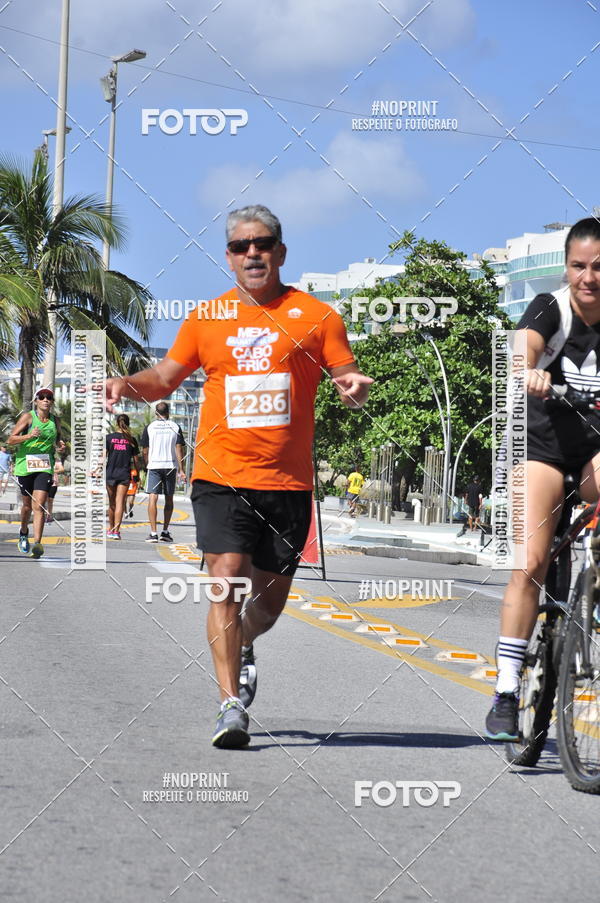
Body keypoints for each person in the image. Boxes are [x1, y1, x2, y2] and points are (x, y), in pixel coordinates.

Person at [104, 204, 372, 748]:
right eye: (240, 245)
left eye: (263, 243)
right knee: (225, 578)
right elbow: (165, 377)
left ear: (280, 252)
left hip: (287, 484)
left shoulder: (318, 317)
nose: (252, 252)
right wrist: (125, 385)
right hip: (220, 475)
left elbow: (347, 376)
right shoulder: (207, 318)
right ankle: (230, 705)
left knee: (268, 605)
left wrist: (353, 388)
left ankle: (244, 641)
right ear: (228, 257)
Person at [485, 217, 600, 741]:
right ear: (566, 268)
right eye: (578, 266)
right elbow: (523, 346)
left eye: (598, 267)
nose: (589, 277)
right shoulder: (550, 307)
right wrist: (528, 370)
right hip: (543, 449)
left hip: (594, 451)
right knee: (530, 562)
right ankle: (507, 690)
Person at [7, 388, 66, 558]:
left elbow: (57, 439)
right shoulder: (28, 417)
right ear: (36, 401)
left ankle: (38, 544)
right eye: (42, 397)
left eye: (49, 397)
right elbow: (11, 439)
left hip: (44, 466)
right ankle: (23, 532)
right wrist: (29, 436)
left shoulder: (55, 420)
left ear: (52, 402)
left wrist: (60, 445)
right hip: (25, 466)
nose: (45, 400)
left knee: (39, 505)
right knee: (27, 506)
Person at [141, 402, 186, 543]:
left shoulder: (149, 427)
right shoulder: (175, 427)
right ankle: (165, 532)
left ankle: (153, 533)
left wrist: (147, 464)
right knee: (169, 498)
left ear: (156, 413)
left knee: (152, 497)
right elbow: (179, 449)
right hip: (170, 466)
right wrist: (181, 469)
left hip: (154, 466)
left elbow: (145, 450)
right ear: (168, 412)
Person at [104, 414, 141, 540]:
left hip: (110, 473)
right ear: (128, 424)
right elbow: (136, 461)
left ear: (116, 423)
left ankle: (110, 529)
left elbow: (103, 456)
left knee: (112, 503)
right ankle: (116, 532)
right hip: (124, 474)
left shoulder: (109, 438)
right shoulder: (131, 440)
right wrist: (138, 475)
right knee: (120, 502)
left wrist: (97, 469)